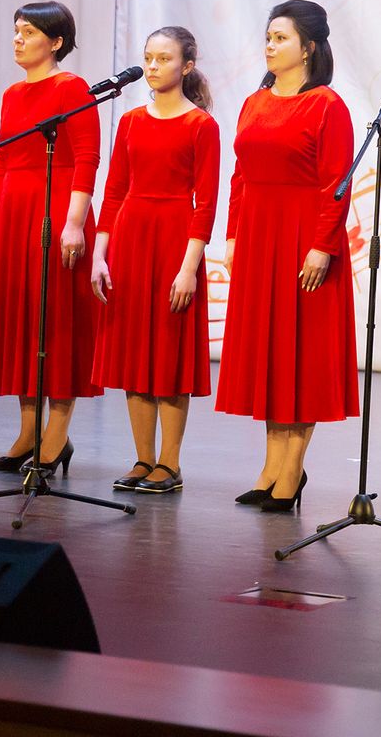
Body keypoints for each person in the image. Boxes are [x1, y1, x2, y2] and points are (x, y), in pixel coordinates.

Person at [214, 0, 359, 512]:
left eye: (281, 38)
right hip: (260, 238)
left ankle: (291, 470)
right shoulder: (255, 102)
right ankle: (271, 468)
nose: (271, 46)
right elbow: (239, 176)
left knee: (303, 356)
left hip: (304, 239)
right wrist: (233, 236)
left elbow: (337, 183)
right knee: (272, 355)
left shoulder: (326, 105)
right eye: (268, 38)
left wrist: (322, 245)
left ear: (309, 47)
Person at [90, 26, 222, 495]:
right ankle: (143, 458)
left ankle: (170, 462)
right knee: (134, 355)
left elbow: (205, 204)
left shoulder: (201, 126)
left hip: (173, 242)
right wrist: (99, 255)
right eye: (149, 57)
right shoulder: (130, 121)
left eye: (164, 59)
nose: (152, 66)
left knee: (169, 355)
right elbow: (114, 191)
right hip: (131, 240)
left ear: (187, 66)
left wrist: (188, 268)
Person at [0, 1, 102, 474]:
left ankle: (56, 437)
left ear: (57, 42)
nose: (18, 39)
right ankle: (28, 433)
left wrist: (74, 222)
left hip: (57, 208)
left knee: (57, 321)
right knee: (25, 324)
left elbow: (87, 157)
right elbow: (3, 161)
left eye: (28, 31)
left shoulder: (73, 89)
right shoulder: (11, 94)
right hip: (15, 213)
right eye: (16, 30)